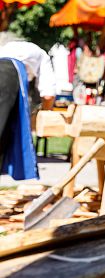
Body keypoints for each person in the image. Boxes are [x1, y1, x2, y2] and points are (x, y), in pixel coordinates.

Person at [0, 32, 56, 180]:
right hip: (9, 73)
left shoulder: (8, 47)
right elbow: (48, 94)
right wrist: (45, 114)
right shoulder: (43, 56)